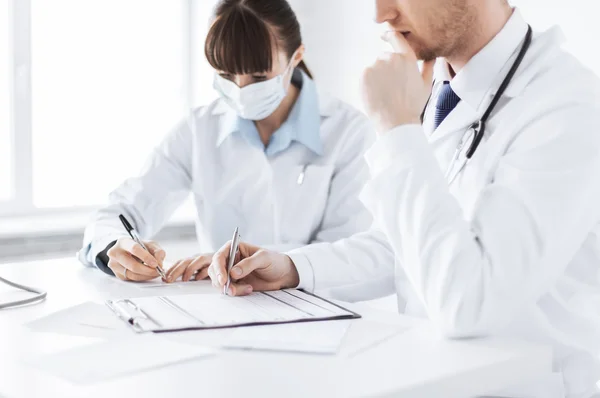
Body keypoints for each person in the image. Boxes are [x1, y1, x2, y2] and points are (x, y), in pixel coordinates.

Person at [202, 1, 600, 397]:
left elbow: (470, 303)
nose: (380, 14)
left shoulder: (565, 106)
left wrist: (396, 129)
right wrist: (291, 267)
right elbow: (401, 246)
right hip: (441, 378)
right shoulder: (439, 87)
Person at [77, 0, 374, 285]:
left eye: (259, 76)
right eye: (227, 75)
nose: (242, 91)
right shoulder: (199, 130)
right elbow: (119, 213)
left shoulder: (348, 132)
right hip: (221, 311)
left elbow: (347, 258)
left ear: (296, 57)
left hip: (320, 318)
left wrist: (247, 266)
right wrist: (114, 247)